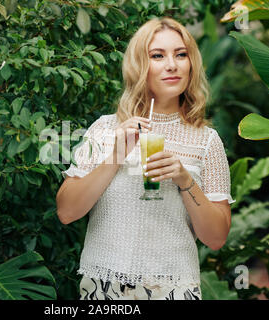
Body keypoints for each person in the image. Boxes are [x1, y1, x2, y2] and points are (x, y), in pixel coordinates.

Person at [56, 16, 235, 300]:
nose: (172, 65)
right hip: (104, 287)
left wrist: (185, 180)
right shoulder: (104, 129)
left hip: (173, 288)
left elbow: (216, 238)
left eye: (180, 54)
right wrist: (116, 155)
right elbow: (66, 212)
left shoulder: (206, 141)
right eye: (157, 56)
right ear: (140, 64)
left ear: (191, 63)